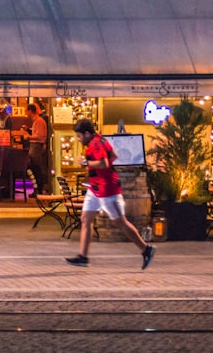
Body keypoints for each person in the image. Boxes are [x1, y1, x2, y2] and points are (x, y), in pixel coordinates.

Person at [66, 118, 155, 270]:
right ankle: (83, 257)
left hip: (107, 190)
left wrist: (86, 163)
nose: (78, 139)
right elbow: (114, 155)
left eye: (79, 136)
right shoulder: (101, 139)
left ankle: (146, 249)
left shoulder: (95, 144)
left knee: (120, 222)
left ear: (87, 133)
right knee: (86, 219)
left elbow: (105, 163)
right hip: (95, 189)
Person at [24, 102, 50, 194]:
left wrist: (28, 136)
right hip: (35, 146)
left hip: (36, 146)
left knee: (35, 167)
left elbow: (40, 136)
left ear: (30, 111)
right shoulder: (37, 121)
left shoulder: (39, 121)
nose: (26, 113)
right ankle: (37, 189)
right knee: (34, 167)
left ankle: (39, 189)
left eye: (27, 111)